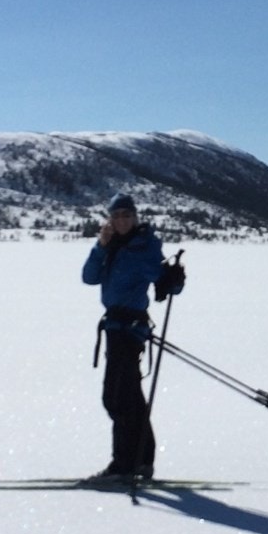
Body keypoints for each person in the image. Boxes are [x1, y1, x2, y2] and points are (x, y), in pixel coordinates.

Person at [80, 193, 172, 481]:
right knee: (129, 395)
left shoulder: (145, 245)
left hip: (130, 328)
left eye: (127, 215)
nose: (122, 220)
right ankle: (142, 460)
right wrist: (100, 246)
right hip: (114, 327)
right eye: (117, 215)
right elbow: (89, 277)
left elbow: (162, 277)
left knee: (116, 397)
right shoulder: (111, 245)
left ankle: (123, 465)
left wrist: (172, 278)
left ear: (135, 217)